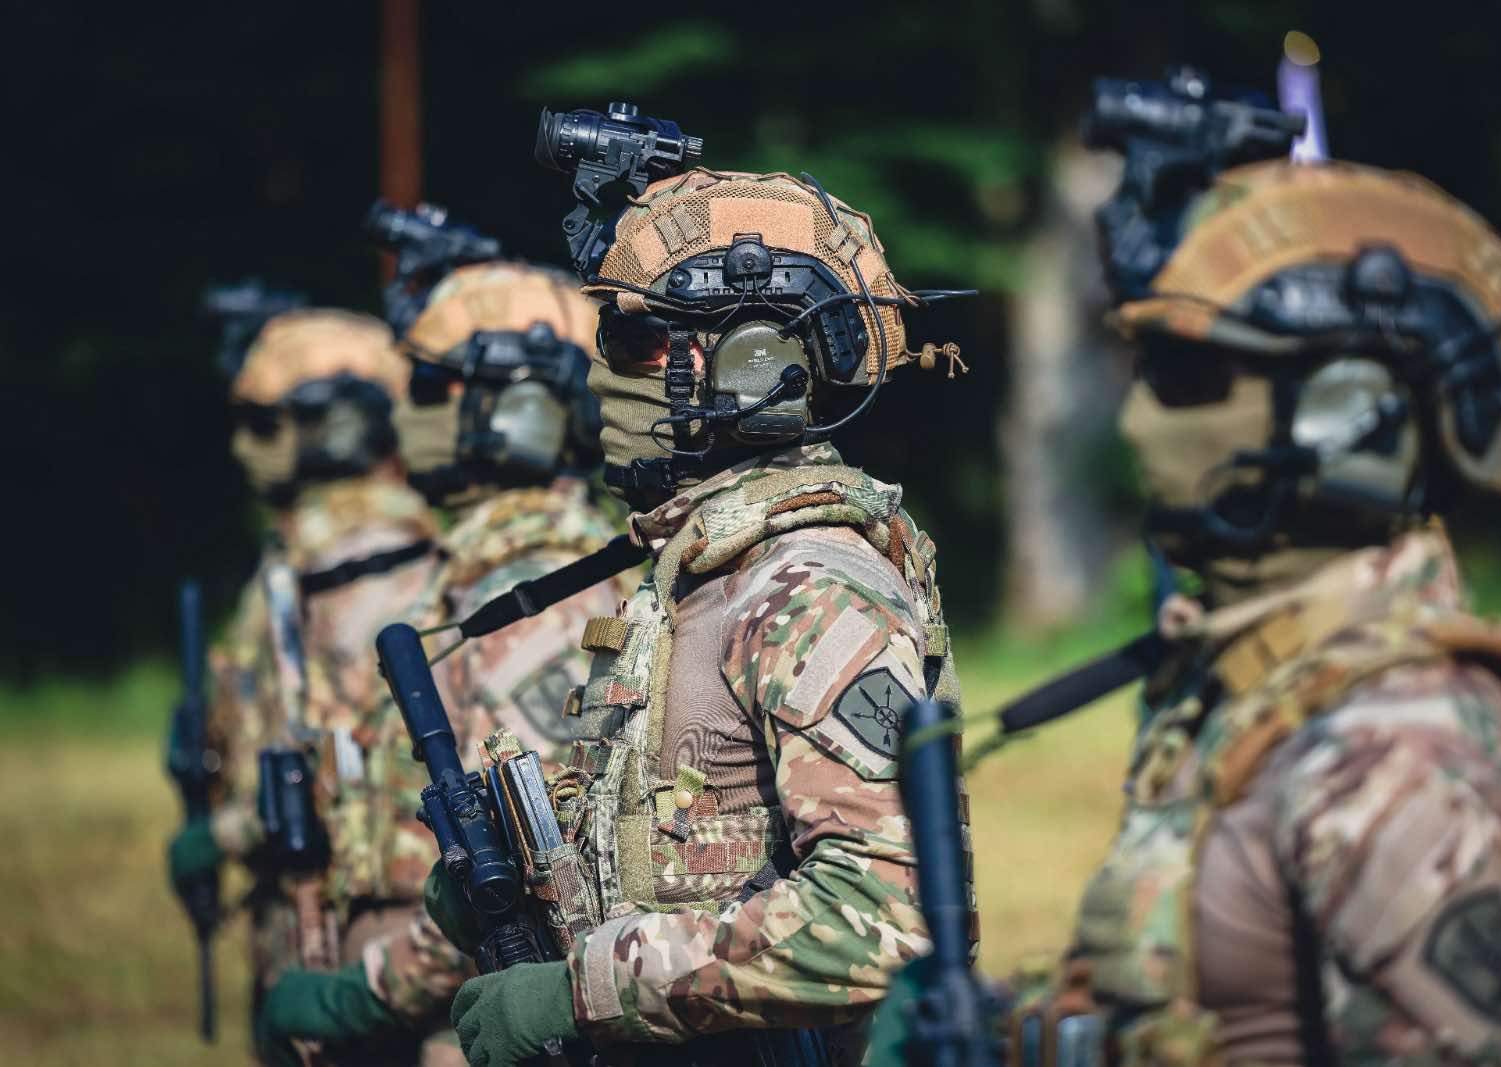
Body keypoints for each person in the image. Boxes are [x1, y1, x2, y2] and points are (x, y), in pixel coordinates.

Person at [1001, 159, 1501, 1064]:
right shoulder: (1269, 685)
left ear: (1346, 415)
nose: (1135, 423)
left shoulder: (1400, 753)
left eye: (1185, 379)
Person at [417, 161, 975, 1066]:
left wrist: (584, 990)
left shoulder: (807, 585)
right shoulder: (708, 572)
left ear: (756, 360)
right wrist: (515, 887)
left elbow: (884, 914)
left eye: (634, 340)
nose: (602, 372)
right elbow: (683, 861)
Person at [254, 256, 635, 1066]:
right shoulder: (470, 579)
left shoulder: (539, 601)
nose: (406, 413)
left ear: (520, 409)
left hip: (469, 1029)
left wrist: (365, 991)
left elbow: (532, 879)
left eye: (431, 389)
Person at [164, 306, 438, 1045]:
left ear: (336, 425)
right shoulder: (304, 551)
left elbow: (356, 764)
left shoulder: (368, 561)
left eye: (265, 425)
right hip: (301, 917)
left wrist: (223, 834)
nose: (243, 447)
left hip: (365, 936)